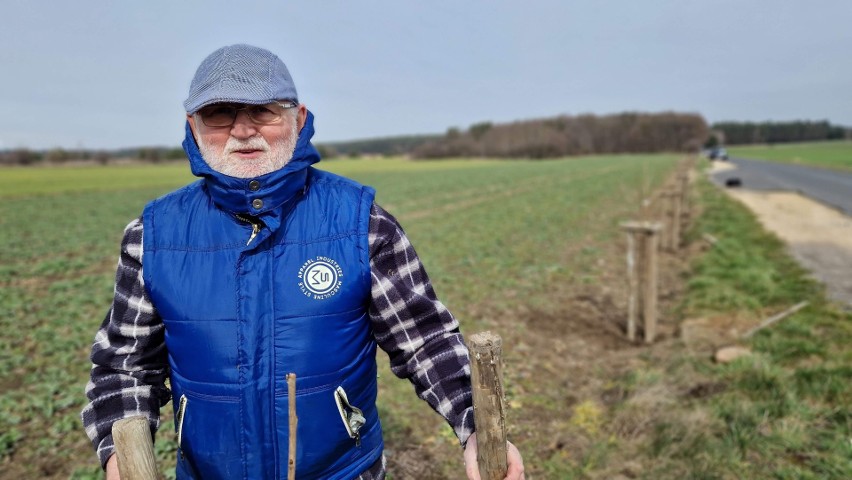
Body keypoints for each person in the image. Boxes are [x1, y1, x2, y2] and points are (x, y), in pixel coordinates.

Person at [81, 44, 524, 480]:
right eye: (220, 114)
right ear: (192, 127)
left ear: (300, 118)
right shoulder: (153, 235)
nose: (242, 130)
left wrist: (476, 431)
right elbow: (124, 368)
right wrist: (123, 460)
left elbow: (425, 342)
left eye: (264, 111)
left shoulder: (362, 223)